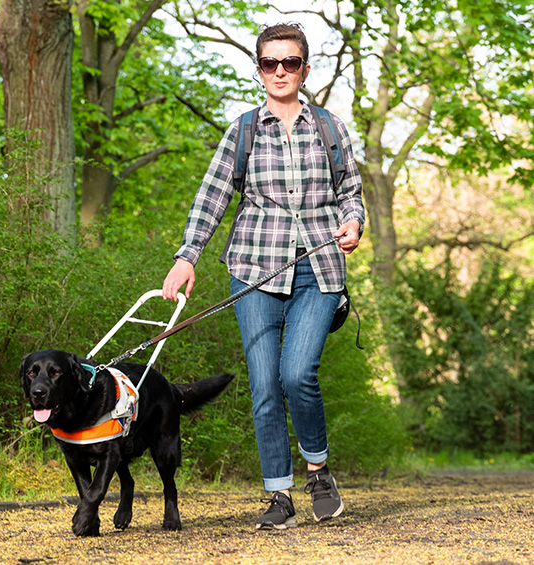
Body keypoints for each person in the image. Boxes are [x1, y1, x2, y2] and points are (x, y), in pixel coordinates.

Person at [162, 22, 365, 530]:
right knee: (265, 385)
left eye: (290, 62)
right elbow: (211, 197)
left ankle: (318, 472)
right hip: (253, 271)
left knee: (298, 374)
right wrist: (188, 257)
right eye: (270, 63)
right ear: (258, 69)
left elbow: (351, 192)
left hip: (319, 272)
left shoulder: (331, 128)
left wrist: (354, 221)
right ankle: (279, 495)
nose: (280, 71)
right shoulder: (244, 130)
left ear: (304, 69)